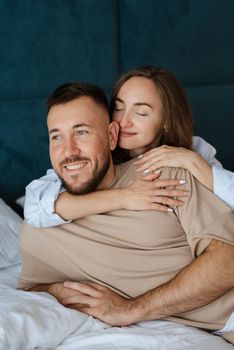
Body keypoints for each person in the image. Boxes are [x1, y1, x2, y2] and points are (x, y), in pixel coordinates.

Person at [18, 81, 234, 342]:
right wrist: (58, 290)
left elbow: (228, 260)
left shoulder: (164, 173)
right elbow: (31, 287)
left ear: (111, 136)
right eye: (56, 136)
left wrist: (131, 309)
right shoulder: (40, 226)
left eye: (82, 132)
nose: (69, 151)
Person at [24, 66, 234, 229]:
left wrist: (192, 161)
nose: (124, 122)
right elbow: (35, 206)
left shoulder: (195, 150)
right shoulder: (97, 157)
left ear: (166, 120)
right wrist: (125, 197)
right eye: (118, 108)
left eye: (140, 112)